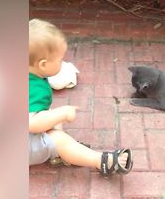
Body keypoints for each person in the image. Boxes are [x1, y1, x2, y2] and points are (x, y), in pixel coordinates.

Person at [28, 19, 133, 176]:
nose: (62, 63)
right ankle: (103, 161)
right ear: (42, 64)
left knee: (52, 120)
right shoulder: (35, 89)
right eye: (60, 59)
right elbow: (32, 123)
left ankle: (64, 153)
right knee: (59, 138)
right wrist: (62, 113)